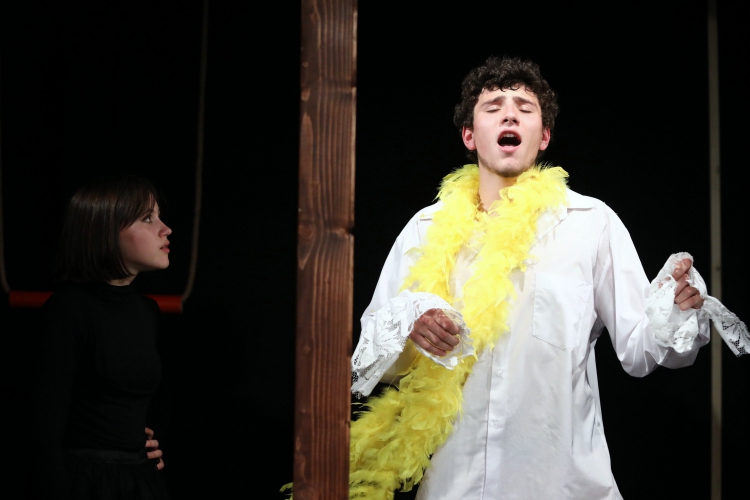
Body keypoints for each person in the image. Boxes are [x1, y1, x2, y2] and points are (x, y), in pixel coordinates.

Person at [347, 56, 740, 500]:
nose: (509, 114)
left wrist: (675, 312)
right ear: (469, 135)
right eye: (493, 106)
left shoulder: (591, 223)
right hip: (454, 487)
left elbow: (641, 350)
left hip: (561, 485)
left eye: (524, 107)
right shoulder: (424, 229)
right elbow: (368, 361)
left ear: (544, 135)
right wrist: (409, 323)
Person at [30, 174, 172, 499]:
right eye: (147, 218)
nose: (166, 229)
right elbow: (42, 431)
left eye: (159, 216)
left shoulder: (147, 311)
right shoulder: (68, 310)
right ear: (106, 231)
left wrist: (153, 448)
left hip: (138, 480)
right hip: (86, 482)